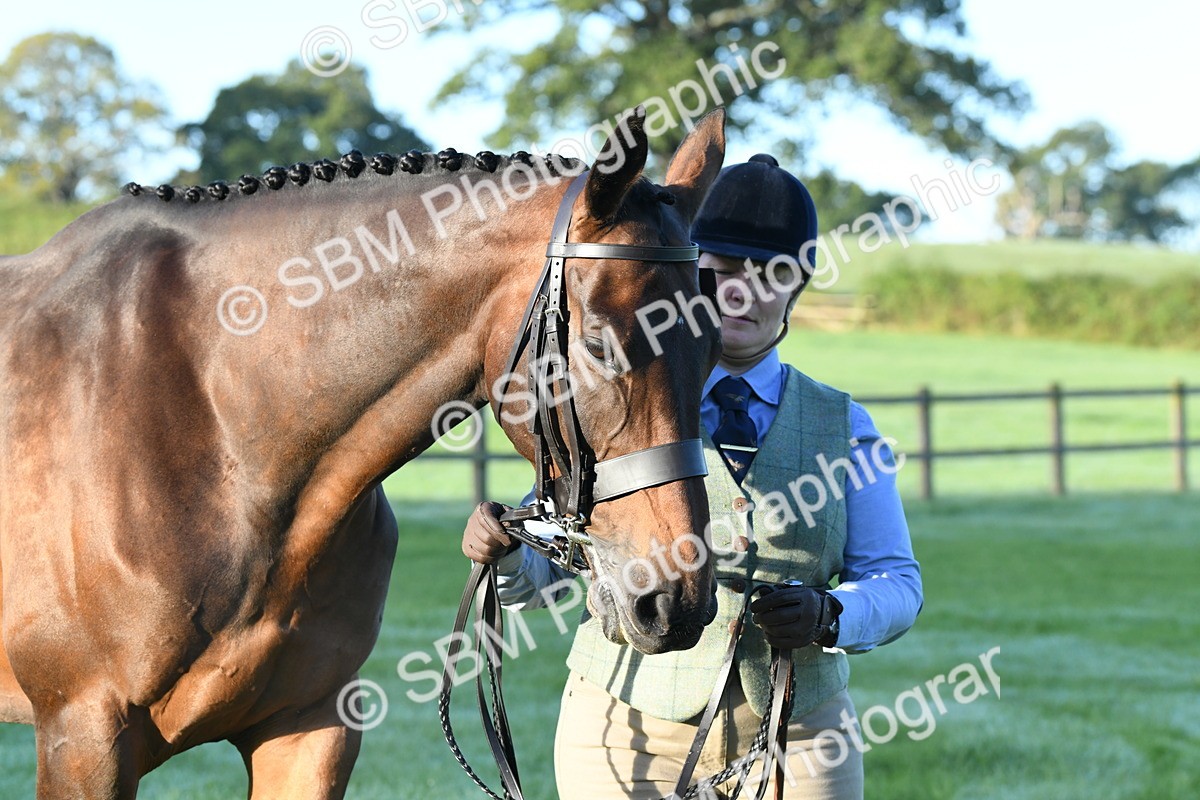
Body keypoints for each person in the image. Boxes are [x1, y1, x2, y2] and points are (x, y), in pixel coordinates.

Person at [461, 154, 923, 800]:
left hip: (800, 736)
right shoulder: (616, 404)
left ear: (800, 284)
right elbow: (544, 579)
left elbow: (898, 582)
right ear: (688, 270)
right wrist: (506, 556)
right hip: (626, 733)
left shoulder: (847, 426)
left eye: (772, 275)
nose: (742, 293)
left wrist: (829, 615)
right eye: (723, 270)